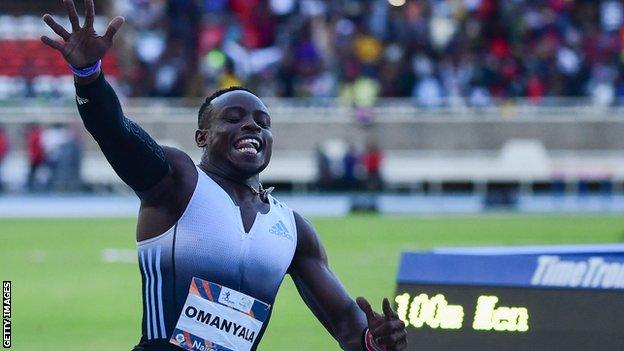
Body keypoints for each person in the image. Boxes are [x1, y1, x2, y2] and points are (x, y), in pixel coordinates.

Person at [41, 1, 407, 351]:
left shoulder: (294, 230)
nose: (251, 126)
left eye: (263, 123)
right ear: (202, 137)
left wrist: (376, 341)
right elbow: (115, 131)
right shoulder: (178, 182)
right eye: (233, 118)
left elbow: (348, 325)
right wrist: (88, 76)